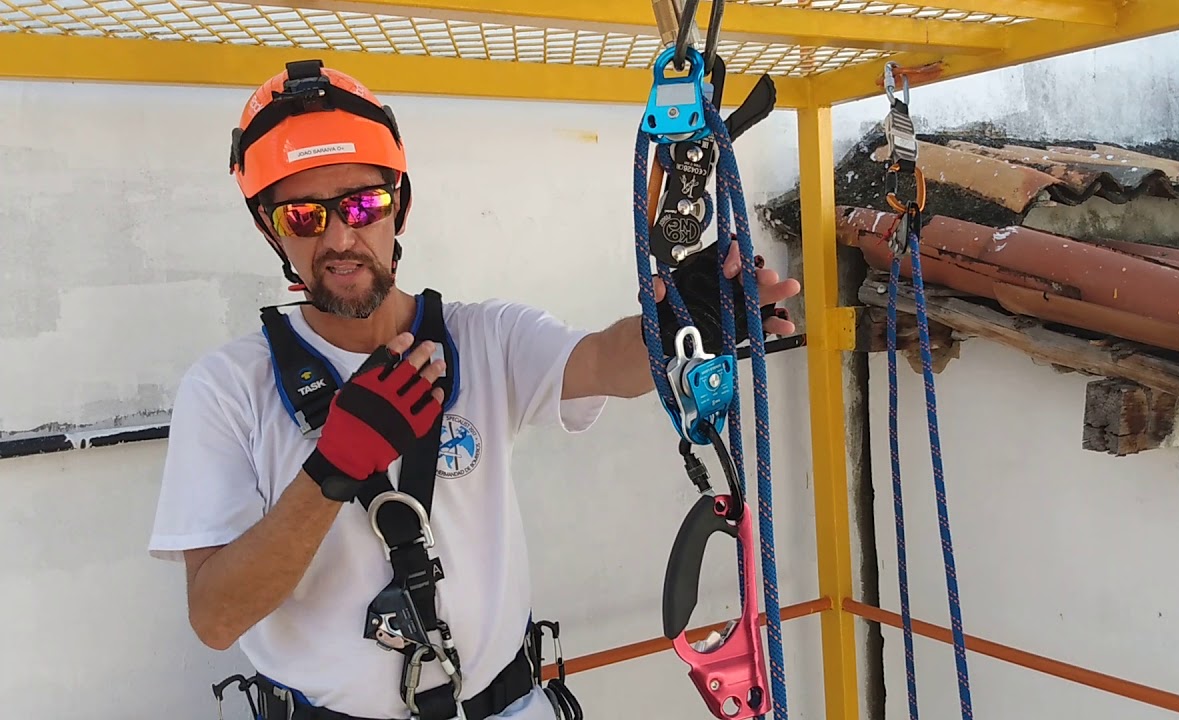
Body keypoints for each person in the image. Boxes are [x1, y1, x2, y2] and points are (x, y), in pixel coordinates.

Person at [147, 59, 800, 720]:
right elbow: (217, 618)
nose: (341, 237)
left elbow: (605, 360)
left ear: (398, 205)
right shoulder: (228, 390)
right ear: (270, 228)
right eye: (304, 217)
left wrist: (681, 324)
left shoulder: (484, 339)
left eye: (363, 204)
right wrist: (331, 472)